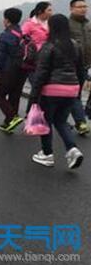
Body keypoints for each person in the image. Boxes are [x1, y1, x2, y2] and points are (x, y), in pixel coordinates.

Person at [29, 14, 85, 169]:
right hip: (71, 90)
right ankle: (72, 149)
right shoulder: (75, 45)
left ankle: (47, 154)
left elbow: (41, 73)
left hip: (52, 90)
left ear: (52, 27)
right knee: (61, 121)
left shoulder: (49, 45)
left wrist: (34, 96)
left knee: (46, 121)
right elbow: (80, 70)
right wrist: (77, 90)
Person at [0, 8, 28, 133]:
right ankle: (8, 124)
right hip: (23, 69)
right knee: (15, 95)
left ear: (6, 20)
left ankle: (13, 117)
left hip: (8, 70)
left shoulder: (5, 35)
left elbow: (0, 55)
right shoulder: (24, 33)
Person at [68, 0, 91, 135]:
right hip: (70, 66)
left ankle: (62, 119)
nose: (83, 9)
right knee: (74, 94)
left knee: (74, 94)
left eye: (85, 6)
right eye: (80, 6)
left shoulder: (88, 25)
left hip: (85, 65)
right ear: (72, 8)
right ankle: (80, 122)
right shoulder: (67, 24)